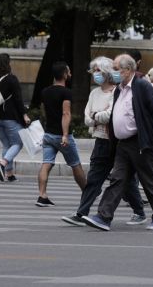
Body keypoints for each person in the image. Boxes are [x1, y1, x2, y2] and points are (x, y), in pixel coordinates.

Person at [82, 54, 153, 231]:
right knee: (117, 179)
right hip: (122, 143)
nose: (113, 72)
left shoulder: (142, 86)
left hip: (139, 142)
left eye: (116, 68)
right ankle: (103, 217)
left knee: (148, 180)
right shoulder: (120, 89)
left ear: (127, 70)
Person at [61, 56, 146, 226]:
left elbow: (110, 115)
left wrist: (96, 116)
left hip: (116, 141)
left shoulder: (118, 92)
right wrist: (97, 116)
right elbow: (88, 119)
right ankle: (81, 212)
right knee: (94, 178)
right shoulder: (94, 93)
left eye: (97, 71)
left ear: (107, 72)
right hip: (100, 141)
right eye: (93, 71)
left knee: (124, 180)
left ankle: (139, 211)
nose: (94, 75)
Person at [36, 61, 87, 207]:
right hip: (62, 135)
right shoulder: (66, 92)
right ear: (64, 75)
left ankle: (42, 195)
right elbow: (66, 113)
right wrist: (65, 134)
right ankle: (87, 192)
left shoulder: (45, 91)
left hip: (49, 135)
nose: (70, 74)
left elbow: (43, 111)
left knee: (46, 164)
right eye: (69, 72)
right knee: (75, 164)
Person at [0, 53, 30, 182]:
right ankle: (2, 164)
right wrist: (24, 115)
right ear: (7, 64)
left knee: (7, 145)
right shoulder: (11, 79)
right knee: (17, 143)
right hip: (9, 117)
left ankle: (9, 175)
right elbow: (18, 99)